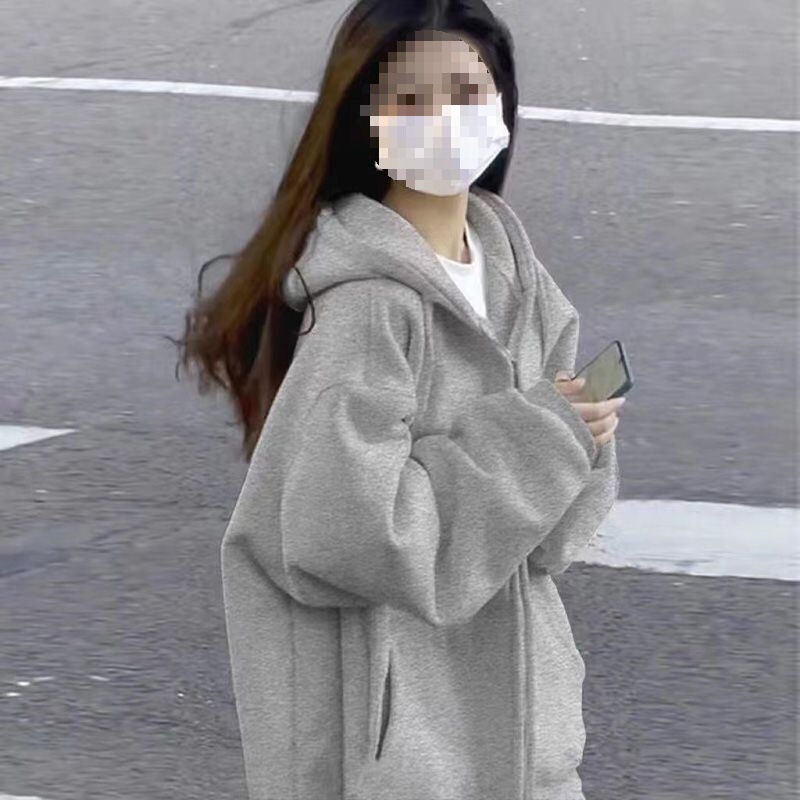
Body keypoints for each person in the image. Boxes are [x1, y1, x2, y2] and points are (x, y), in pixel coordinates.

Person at [172, 1, 624, 798]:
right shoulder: (368, 308)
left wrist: (580, 441)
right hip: (412, 757)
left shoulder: (523, 284)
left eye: (467, 92)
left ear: (503, 106)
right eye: (411, 99)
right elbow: (347, 532)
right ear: (368, 120)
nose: (444, 118)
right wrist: (541, 443)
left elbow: (550, 544)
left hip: (527, 745)